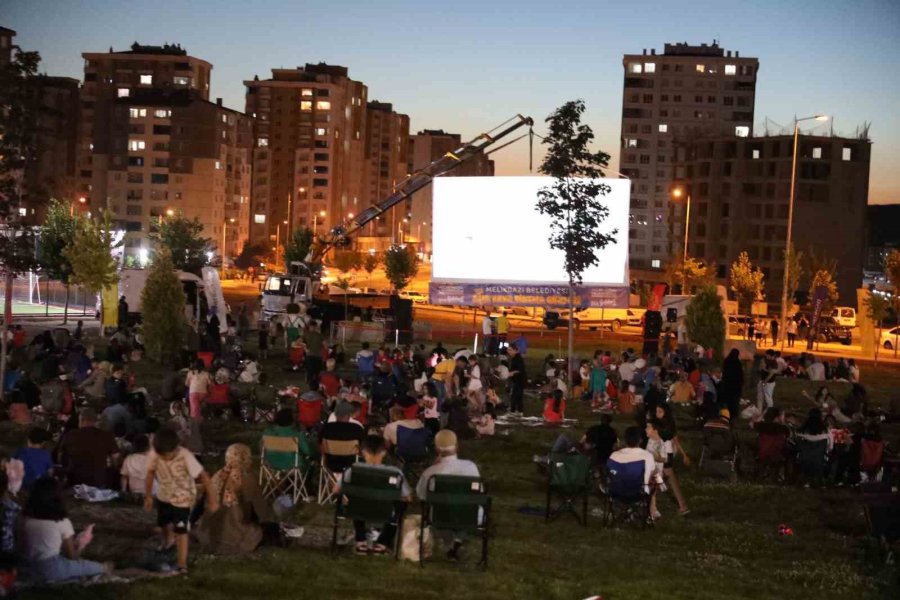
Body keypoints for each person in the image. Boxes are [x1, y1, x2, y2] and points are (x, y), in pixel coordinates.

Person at [144, 427, 218, 573]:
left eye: (167, 456)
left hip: (182, 499)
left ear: (175, 448)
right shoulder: (154, 453)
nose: (164, 459)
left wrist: (212, 499)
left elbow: (204, 477)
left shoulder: (185, 456)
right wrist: (148, 496)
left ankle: (182, 564)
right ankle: (168, 544)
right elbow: (150, 473)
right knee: (164, 524)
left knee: (181, 530)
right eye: (161, 456)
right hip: (163, 495)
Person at [20, 478, 109, 583]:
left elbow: (22, 546)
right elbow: (72, 557)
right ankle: (106, 569)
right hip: (51, 568)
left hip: (25, 568)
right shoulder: (61, 522)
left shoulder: (21, 518)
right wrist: (81, 544)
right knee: (96, 567)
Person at [195, 443, 276, 555]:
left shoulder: (217, 476)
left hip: (207, 536)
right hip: (235, 535)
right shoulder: (247, 479)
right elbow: (262, 513)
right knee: (262, 532)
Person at [336, 435, 410, 555]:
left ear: (363, 452)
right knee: (400, 505)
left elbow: (336, 490)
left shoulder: (353, 470)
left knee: (355, 499)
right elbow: (407, 497)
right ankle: (382, 544)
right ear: (384, 452)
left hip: (357, 510)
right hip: (385, 511)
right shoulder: (395, 473)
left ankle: (361, 541)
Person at [416, 430, 481, 561]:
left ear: (436, 448)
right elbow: (479, 492)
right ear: (457, 446)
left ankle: (450, 544)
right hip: (469, 516)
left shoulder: (430, 472)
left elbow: (421, 494)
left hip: (438, 516)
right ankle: (457, 541)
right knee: (468, 511)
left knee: (443, 512)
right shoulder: (471, 467)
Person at [58, 408, 119, 488]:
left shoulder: (70, 435)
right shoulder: (107, 436)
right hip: (98, 481)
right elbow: (116, 458)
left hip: (75, 481)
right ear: (95, 421)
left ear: (81, 419)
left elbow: (60, 457)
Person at [645, 420, 689, 517]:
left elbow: (664, 459)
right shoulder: (650, 441)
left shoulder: (661, 443)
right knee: (652, 491)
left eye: (648, 427)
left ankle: (653, 511)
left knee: (653, 491)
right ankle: (653, 509)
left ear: (655, 431)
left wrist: (654, 457)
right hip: (649, 470)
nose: (645, 429)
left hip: (655, 472)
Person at [607, 426, 656, 492]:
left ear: (625, 440)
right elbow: (651, 477)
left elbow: (610, 474)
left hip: (617, 493)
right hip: (639, 495)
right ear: (640, 440)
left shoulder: (614, 456)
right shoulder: (648, 456)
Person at [720, 349, 744, 420]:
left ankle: (726, 413)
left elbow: (724, 372)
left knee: (728, 400)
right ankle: (734, 414)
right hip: (736, 385)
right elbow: (740, 375)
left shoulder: (726, 361)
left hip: (728, 384)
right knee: (735, 400)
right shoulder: (738, 363)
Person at [303, 322, 325, 389]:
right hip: (316, 356)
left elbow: (301, 342)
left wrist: (305, 349)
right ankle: (314, 382)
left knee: (311, 370)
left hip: (312, 355)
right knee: (315, 371)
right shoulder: (319, 335)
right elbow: (325, 344)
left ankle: (310, 382)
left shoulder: (306, 334)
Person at [507, 343, 526, 415]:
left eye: (510, 350)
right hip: (517, 380)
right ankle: (519, 410)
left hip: (519, 380)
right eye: (508, 350)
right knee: (518, 396)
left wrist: (511, 373)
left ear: (515, 350)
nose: (508, 351)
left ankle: (513, 410)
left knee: (515, 395)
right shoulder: (515, 358)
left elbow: (520, 369)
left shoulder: (517, 358)